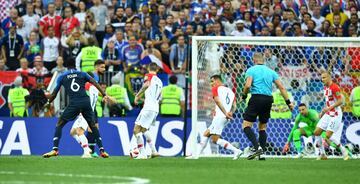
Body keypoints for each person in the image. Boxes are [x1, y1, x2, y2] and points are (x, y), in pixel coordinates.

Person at [42, 60, 109, 158]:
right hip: (86, 103)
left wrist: (48, 103)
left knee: (59, 124)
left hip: (74, 103)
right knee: (93, 126)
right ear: (75, 67)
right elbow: (94, 82)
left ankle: (55, 149)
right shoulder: (82, 74)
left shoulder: (62, 77)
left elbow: (54, 93)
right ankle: (102, 150)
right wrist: (104, 94)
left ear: (66, 67)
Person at [242, 52, 294, 160]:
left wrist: (244, 95)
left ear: (254, 60)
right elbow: (281, 87)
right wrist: (288, 103)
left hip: (256, 98)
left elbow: (247, 85)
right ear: (263, 61)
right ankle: (261, 155)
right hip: (268, 99)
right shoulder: (271, 72)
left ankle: (257, 148)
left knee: (246, 126)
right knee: (262, 127)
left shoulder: (251, 70)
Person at [187, 74, 243, 160]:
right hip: (225, 117)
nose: (211, 84)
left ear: (218, 80)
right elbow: (234, 106)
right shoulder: (231, 91)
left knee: (215, 140)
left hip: (220, 116)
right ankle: (196, 155)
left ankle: (236, 151)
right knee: (206, 133)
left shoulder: (216, 88)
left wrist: (225, 113)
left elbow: (217, 101)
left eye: (212, 81)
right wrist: (230, 113)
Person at [313, 71, 349, 160]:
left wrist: (329, 108)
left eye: (324, 77)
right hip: (328, 113)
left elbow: (340, 101)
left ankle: (343, 150)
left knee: (327, 136)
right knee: (316, 132)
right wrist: (322, 112)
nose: (322, 79)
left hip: (336, 114)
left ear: (329, 77)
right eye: (321, 78)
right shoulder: (325, 87)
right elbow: (328, 102)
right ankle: (322, 154)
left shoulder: (335, 87)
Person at [132, 63, 163, 159]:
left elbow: (146, 84)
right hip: (155, 109)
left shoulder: (149, 75)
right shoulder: (160, 81)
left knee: (136, 130)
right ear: (157, 70)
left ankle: (142, 154)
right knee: (144, 129)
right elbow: (160, 98)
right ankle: (154, 151)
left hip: (148, 108)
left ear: (148, 68)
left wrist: (137, 95)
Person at [70, 72, 100, 158]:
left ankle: (87, 151)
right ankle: (87, 148)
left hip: (85, 111)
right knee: (72, 132)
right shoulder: (95, 88)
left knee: (79, 131)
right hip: (88, 111)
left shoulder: (87, 86)